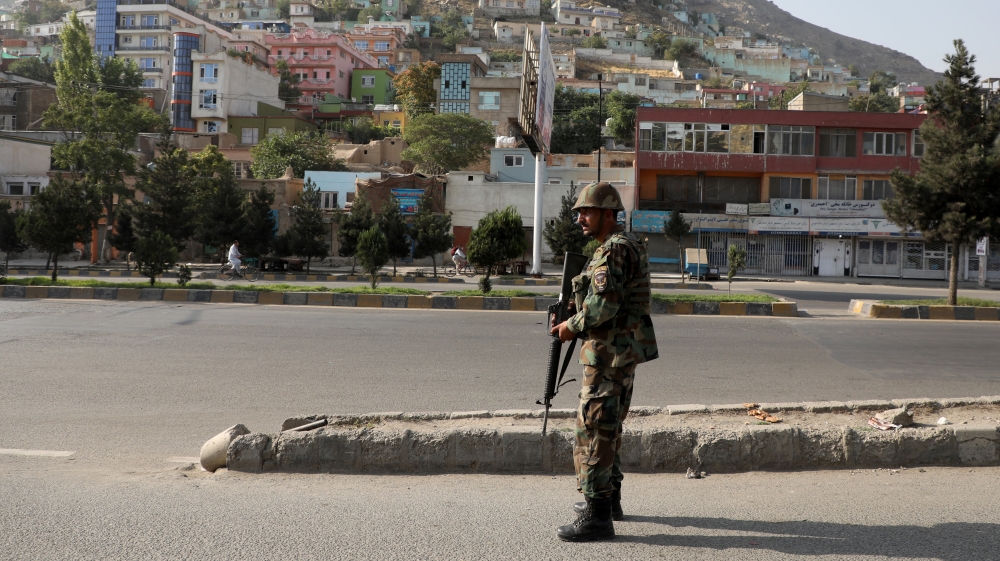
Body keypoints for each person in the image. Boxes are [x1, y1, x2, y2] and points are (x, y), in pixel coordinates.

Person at [549, 182, 658, 542]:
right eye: (579, 212)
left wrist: (571, 325)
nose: (581, 217)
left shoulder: (613, 250)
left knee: (594, 428)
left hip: (609, 354)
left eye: (587, 211)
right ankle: (609, 502)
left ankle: (597, 517)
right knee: (609, 426)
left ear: (608, 214)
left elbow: (604, 305)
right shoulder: (623, 245)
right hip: (619, 351)